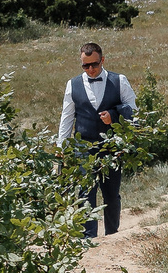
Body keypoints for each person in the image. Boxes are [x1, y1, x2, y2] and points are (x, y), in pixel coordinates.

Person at [56, 42, 137, 237]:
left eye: (94, 64)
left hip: (112, 146)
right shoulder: (72, 84)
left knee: (111, 195)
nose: (91, 69)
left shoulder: (119, 81)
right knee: (85, 194)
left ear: (103, 60)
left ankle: (113, 235)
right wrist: (61, 148)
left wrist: (114, 117)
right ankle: (88, 238)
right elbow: (66, 118)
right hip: (83, 148)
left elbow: (133, 110)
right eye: (86, 66)